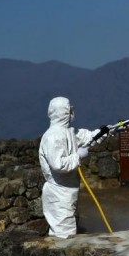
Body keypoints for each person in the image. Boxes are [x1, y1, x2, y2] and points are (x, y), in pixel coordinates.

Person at [39, 96, 98, 238]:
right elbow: (58, 165)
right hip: (58, 193)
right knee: (63, 235)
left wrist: (105, 131)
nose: (72, 112)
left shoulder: (67, 132)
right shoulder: (53, 137)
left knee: (68, 231)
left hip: (67, 192)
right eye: (70, 110)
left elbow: (85, 137)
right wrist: (77, 156)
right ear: (64, 112)